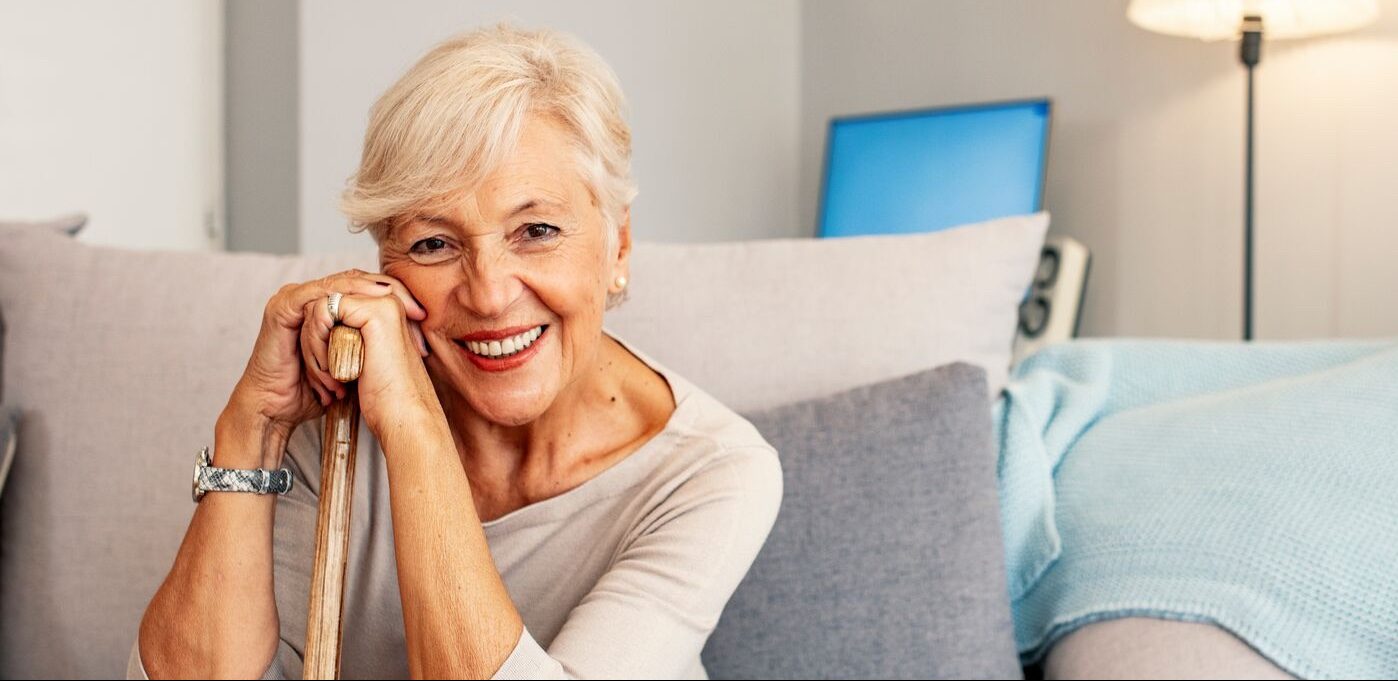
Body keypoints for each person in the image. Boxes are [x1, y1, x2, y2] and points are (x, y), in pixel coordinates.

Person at [130, 23, 782, 679]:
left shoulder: (713, 471)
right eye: (434, 244)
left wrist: (414, 425)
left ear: (618, 246)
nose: (491, 294)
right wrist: (256, 425)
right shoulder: (334, 401)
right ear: (385, 263)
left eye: (537, 230)